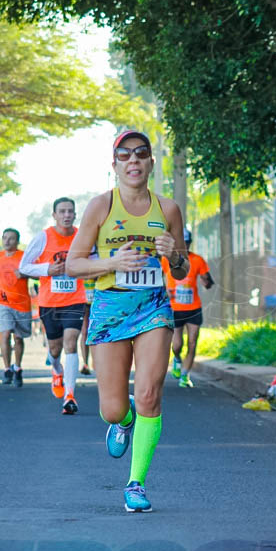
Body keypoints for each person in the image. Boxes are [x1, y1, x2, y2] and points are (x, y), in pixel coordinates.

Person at [66, 130, 188, 513]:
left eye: (140, 154)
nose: (133, 161)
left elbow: (182, 270)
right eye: (124, 155)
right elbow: (73, 264)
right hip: (109, 309)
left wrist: (174, 255)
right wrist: (112, 263)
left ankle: (136, 483)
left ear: (151, 162)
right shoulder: (100, 206)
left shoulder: (167, 209)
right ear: (115, 165)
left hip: (153, 307)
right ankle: (125, 418)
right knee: (113, 409)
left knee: (152, 391)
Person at [20, 197, 88, 415]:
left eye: (70, 211)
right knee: (55, 349)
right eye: (62, 211)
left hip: (75, 300)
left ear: (75, 214)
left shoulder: (82, 236)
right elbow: (25, 267)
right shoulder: (43, 237)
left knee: (71, 343)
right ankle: (56, 370)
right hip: (49, 302)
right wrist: (48, 269)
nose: (67, 215)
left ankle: (69, 395)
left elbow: (94, 258)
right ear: (55, 215)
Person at [162, 229, 214, 388]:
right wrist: (165, 290)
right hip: (175, 308)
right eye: (182, 243)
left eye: (188, 243)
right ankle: (177, 358)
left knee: (193, 341)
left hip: (194, 307)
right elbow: (157, 278)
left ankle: (185, 375)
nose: (185, 245)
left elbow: (209, 282)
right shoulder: (166, 260)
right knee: (177, 344)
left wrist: (207, 281)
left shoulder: (197, 260)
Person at [0, 228, 33, 387]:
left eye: (11, 239)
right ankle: (7, 369)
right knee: (5, 333)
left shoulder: (24, 257)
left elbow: (38, 274)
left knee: (19, 338)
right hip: (2, 301)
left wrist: (25, 274)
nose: (7, 241)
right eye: (5, 238)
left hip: (21, 303)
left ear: (17, 241)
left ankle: (18, 368)